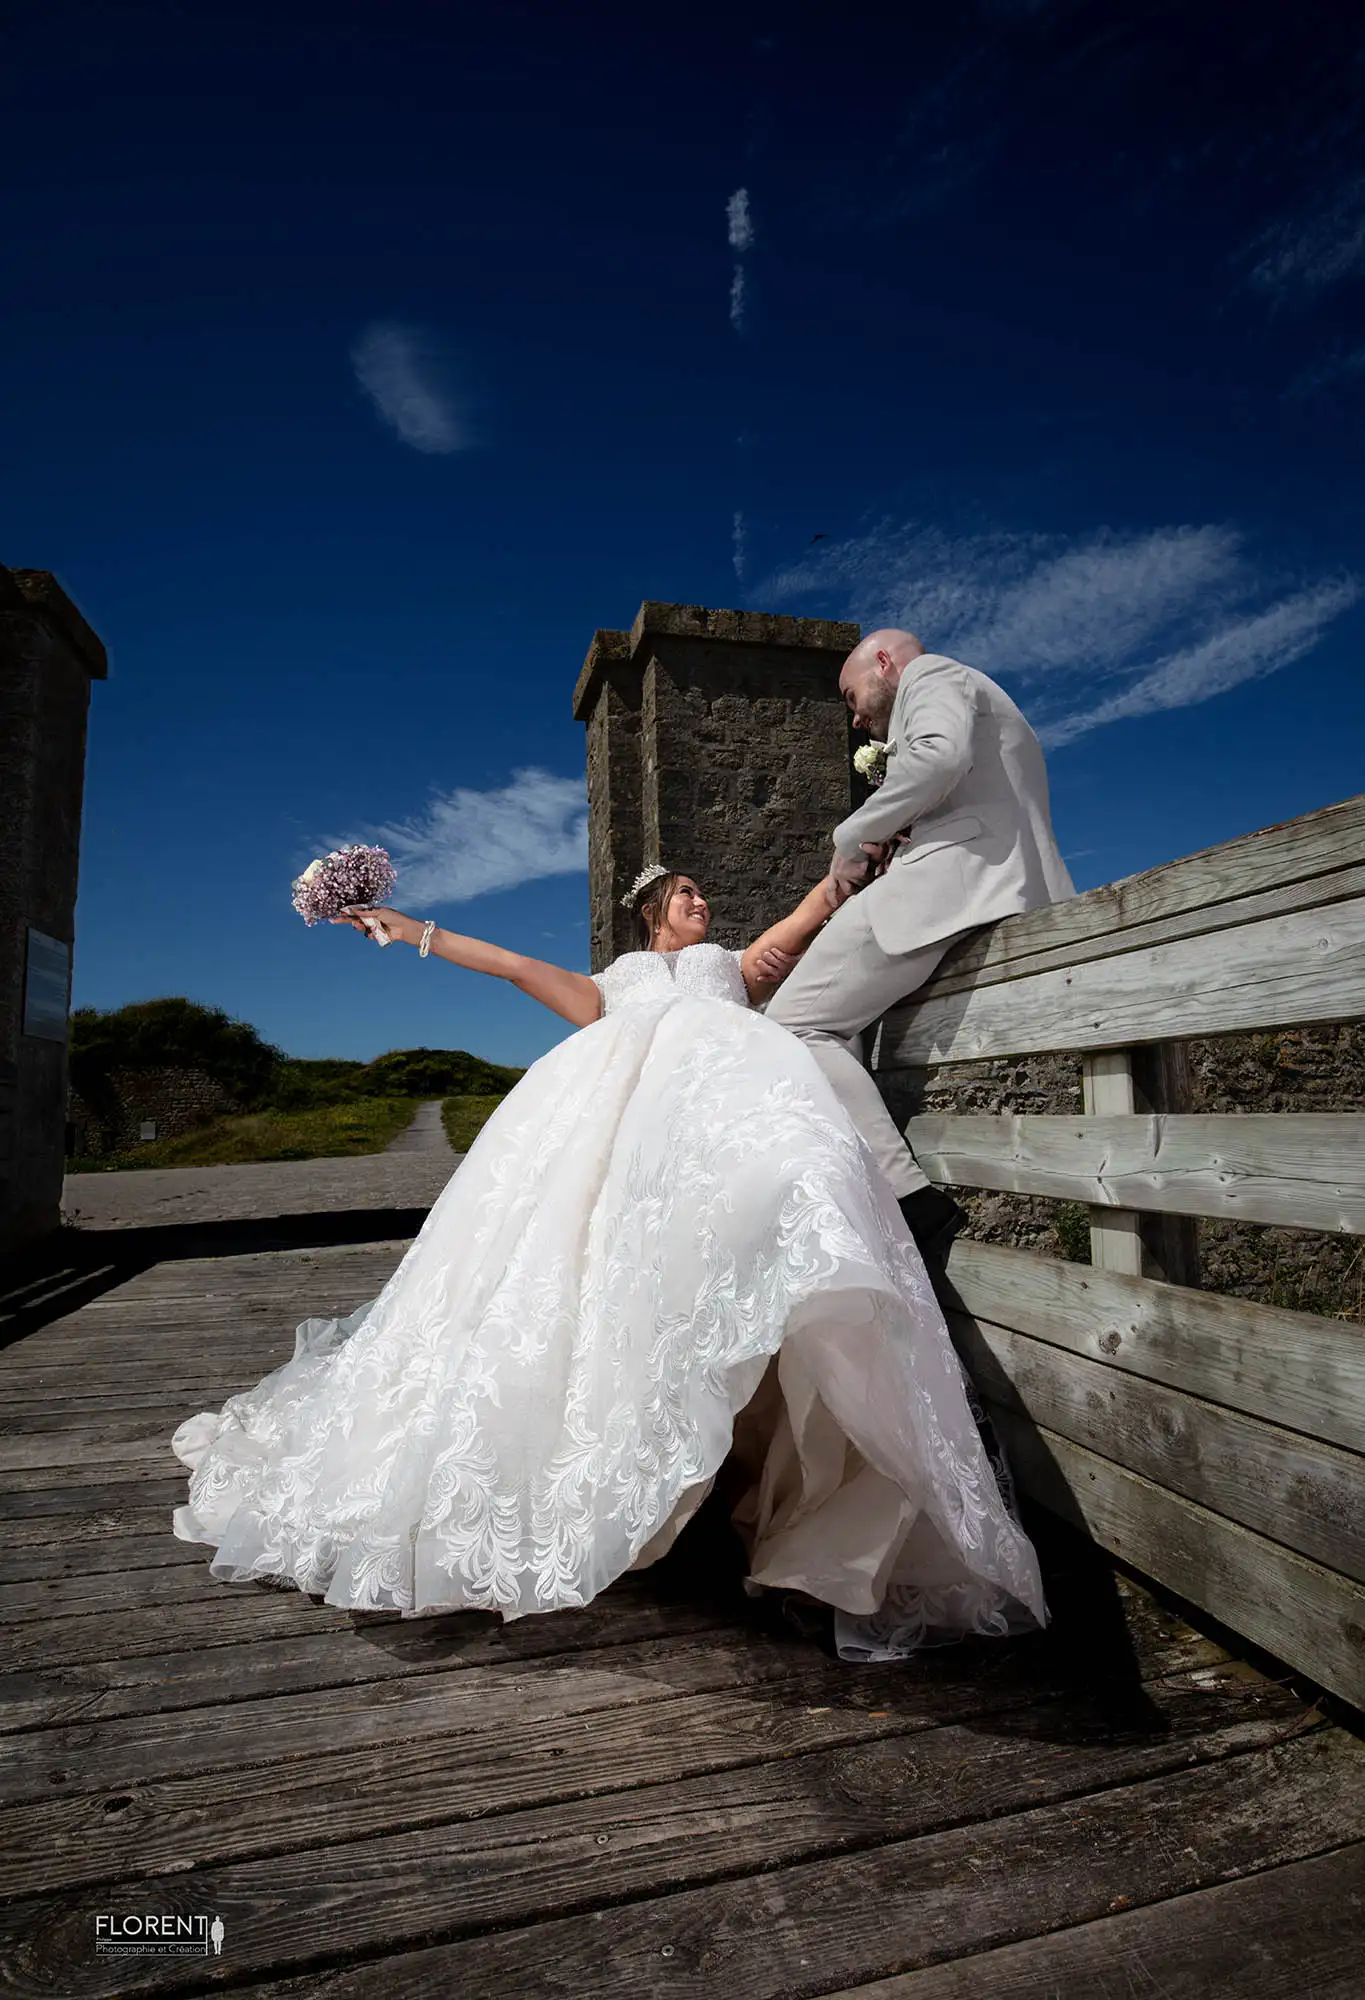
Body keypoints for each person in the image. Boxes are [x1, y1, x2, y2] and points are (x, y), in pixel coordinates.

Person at [170, 865, 1045, 1661]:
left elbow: (814, 910)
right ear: (649, 916)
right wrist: (413, 929)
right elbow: (511, 963)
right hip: (618, 1144)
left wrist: (857, 867)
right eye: (686, 896)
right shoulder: (608, 988)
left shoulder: (735, 970)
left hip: (724, 1119)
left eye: (706, 894)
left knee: (792, 1199)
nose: (703, 904)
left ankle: (806, 1514)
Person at [767, 628, 1076, 1272]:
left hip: (949, 883)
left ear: (885, 661)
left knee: (791, 1028)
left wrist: (853, 836)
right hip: (995, 880)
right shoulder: (978, 695)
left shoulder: (932, 673)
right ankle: (862, 1189)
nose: (856, 718)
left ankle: (908, 1202)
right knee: (835, 1027)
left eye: (852, 696)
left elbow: (936, 759)